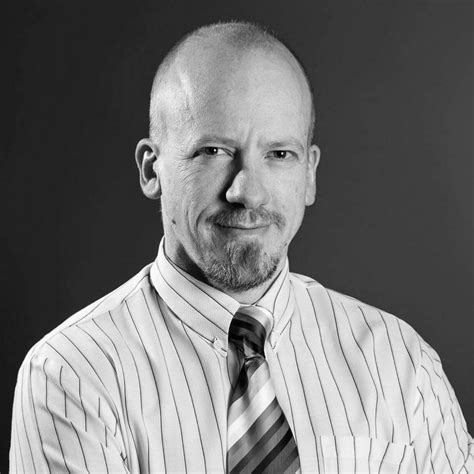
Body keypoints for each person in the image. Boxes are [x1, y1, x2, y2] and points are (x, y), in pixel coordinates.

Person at [9, 21, 472, 473]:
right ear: (152, 169)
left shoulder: (401, 362)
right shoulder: (74, 375)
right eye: (213, 151)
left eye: (279, 154)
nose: (247, 192)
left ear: (309, 174)